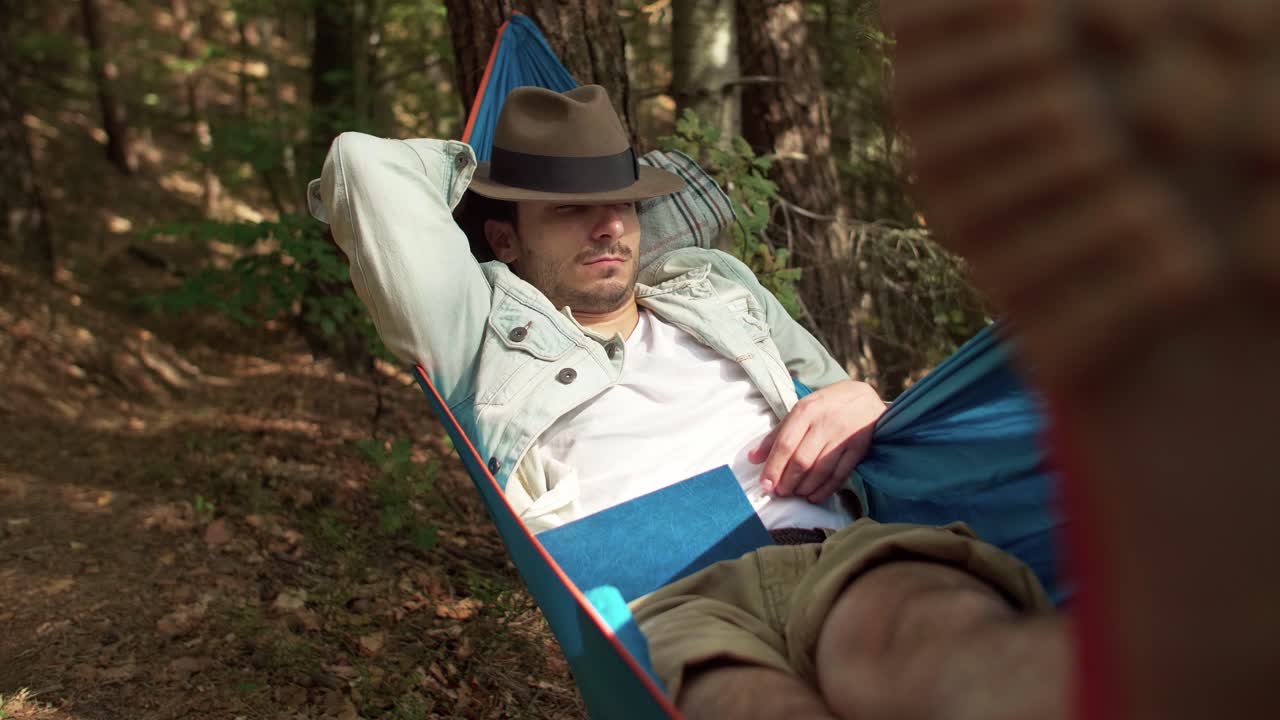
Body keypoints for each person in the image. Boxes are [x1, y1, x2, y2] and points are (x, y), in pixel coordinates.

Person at [312, 84, 1065, 720]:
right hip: (666, 601)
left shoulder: (716, 286)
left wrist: (862, 399)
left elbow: (838, 400)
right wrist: (482, 169)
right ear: (504, 239)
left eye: (621, 203)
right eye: (568, 209)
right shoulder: (475, 330)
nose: (608, 225)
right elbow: (361, 163)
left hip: (835, 550)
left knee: (949, 645)